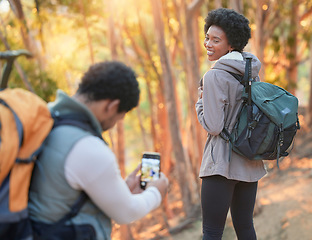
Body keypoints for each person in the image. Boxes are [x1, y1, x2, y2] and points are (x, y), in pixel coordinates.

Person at [28, 61, 169, 239]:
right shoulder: (87, 146)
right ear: (111, 106)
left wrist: (120, 191)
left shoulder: (47, 119)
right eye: (119, 116)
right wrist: (157, 191)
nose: (115, 123)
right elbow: (126, 213)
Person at [195, 8, 267, 240]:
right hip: (248, 161)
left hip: (221, 164)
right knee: (245, 227)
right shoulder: (251, 72)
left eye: (216, 40)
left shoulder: (214, 76)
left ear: (231, 45)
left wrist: (200, 102)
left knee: (212, 232)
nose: (208, 43)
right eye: (207, 37)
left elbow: (214, 126)